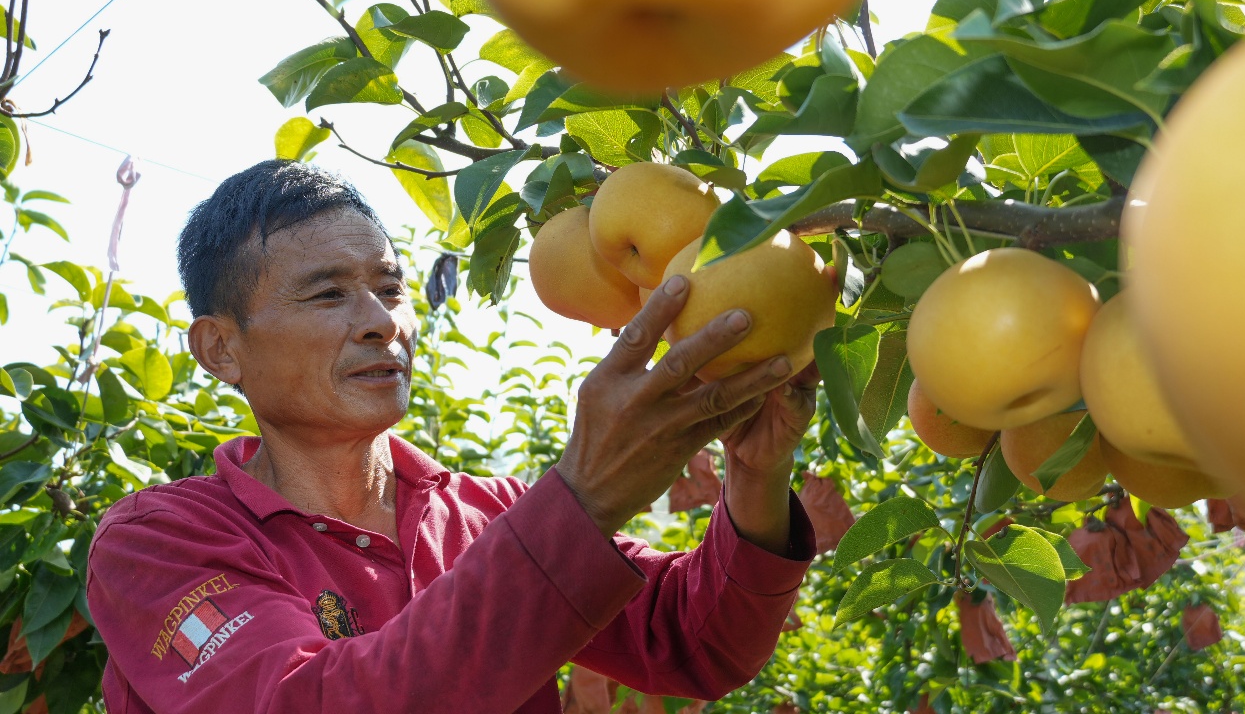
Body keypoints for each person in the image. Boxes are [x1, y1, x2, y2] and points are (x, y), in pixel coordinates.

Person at [87, 160, 820, 713]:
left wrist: (757, 469)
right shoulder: (157, 542)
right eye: (327, 293)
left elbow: (696, 642)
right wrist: (583, 497)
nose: (382, 321)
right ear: (220, 349)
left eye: (392, 288)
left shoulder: (485, 513)